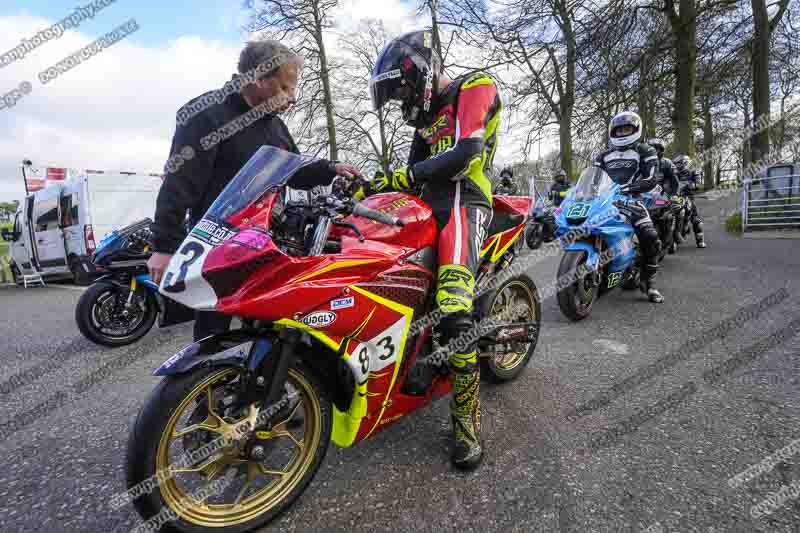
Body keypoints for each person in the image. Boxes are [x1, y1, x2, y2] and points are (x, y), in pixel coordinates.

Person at [147, 40, 361, 341]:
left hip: (263, 242)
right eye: (286, 88)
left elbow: (294, 170)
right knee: (212, 333)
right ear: (259, 79)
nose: (293, 98)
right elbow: (180, 182)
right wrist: (164, 246)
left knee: (265, 330)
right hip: (215, 244)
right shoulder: (206, 114)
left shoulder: (274, 126)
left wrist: (330, 168)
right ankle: (206, 383)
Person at [359, 30, 501, 469]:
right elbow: (412, 173)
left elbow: (465, 152)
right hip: (426, 205)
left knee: (455, 312)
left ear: (416, 71)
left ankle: (467, 423)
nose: (401, 99)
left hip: (465, 200)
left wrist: (397, 180)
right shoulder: (423, 119)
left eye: (399, 88)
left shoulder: (476, 85)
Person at [593, 111, 664, 303]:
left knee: (650, 236)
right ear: (612, 132)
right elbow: (593, 178)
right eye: (619, 129)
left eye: (627, 128)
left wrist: (630, 188)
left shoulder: (645, 151)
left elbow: (652, 178)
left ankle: (650, 283)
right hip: (604, 200)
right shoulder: (603, 155)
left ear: (636, 130)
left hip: (633, 199)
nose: (623, 132)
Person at [673, 154, 706, 248]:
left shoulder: (693, 171)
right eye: (676, 164)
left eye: (679, 163)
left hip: (687, 197)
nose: (677, 166)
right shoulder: (673, 172)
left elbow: (698, 183)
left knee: (696, 220)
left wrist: (693, 185)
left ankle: (700, 241)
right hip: (675, 197)